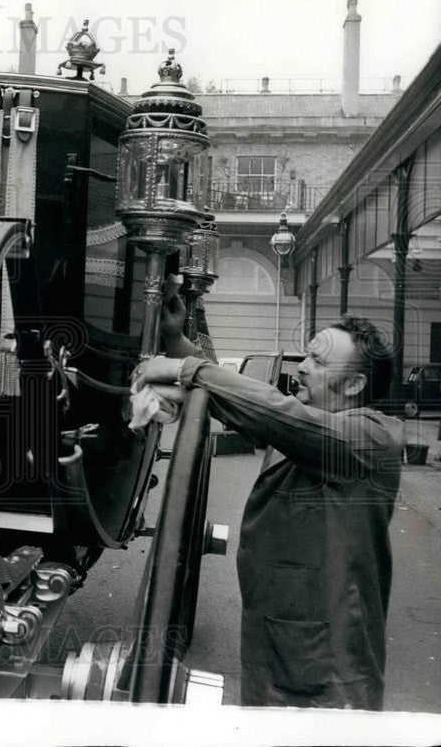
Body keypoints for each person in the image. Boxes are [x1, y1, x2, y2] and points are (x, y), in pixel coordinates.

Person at [133, 301, 403, 711]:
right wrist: (176, 337)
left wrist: (185, 370)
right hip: (282, 646)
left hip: (330, 674)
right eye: (307, 356)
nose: (301, 368)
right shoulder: (309, 422)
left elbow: (275, 412)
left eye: (318, 362)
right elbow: (254, 401)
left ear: (353, 385)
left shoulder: (372, 440)